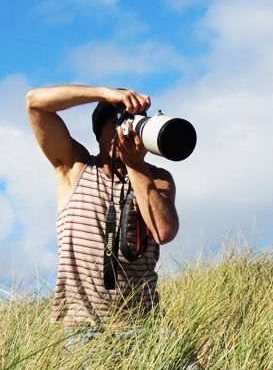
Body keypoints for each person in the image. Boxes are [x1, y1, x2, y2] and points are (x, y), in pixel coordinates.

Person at [25, 85, 179, 345]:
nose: (128, 130)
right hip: (84, 329)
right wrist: (104, 94)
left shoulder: (158, 178)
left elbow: (163, 231)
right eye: (119, 122)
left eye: (135, 122)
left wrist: (136, 166)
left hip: (144, 324)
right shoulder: (75, 167)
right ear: (100, 132)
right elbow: (35, 102)